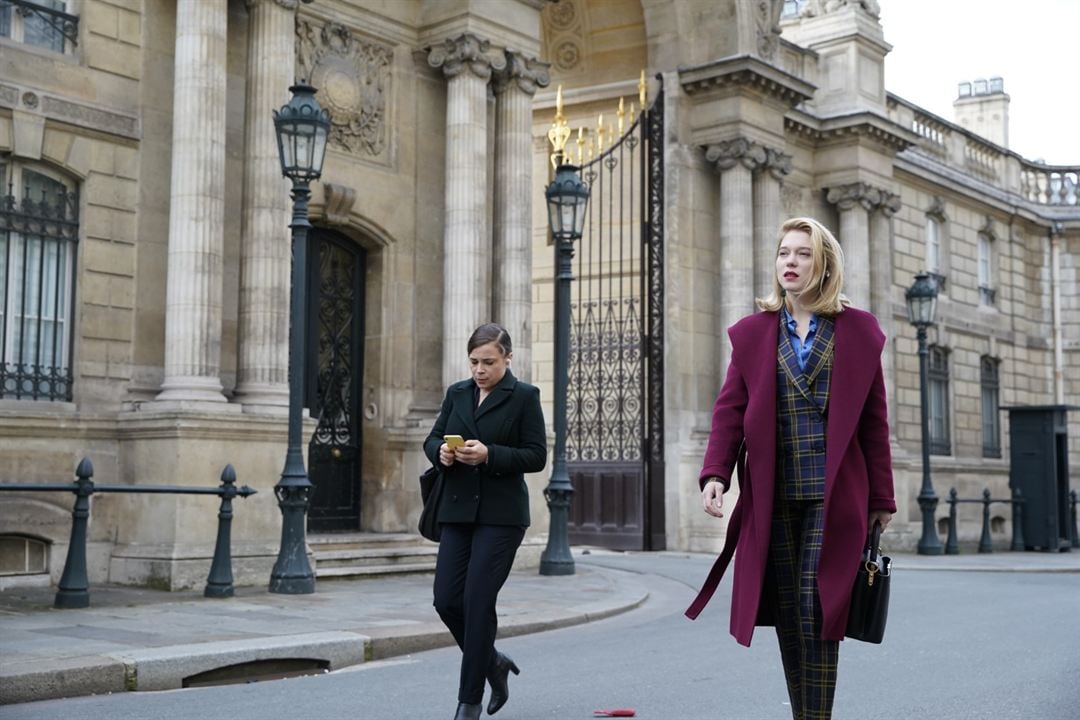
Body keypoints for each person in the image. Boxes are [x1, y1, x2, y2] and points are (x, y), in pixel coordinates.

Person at [687, 217, 897, 720]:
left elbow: (874, 421)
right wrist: (716, 473)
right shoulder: (753, 334)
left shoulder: (858, 331)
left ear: (823, 264)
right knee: (788, 613)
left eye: (803, 254)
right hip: (774, 494)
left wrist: (882, 499)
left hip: (835, 495)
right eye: (784, 253)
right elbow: (729, 411)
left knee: (818, 610)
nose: (791, 262)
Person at [424, 323, 547, 720]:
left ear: (507, 358)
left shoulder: (524, 397)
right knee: (446, 599)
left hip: (501, 516)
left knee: (478, 602)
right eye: (474, 361)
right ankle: (492, 661)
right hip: (457, 511)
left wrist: (490, 454)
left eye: (489, 362)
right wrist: (442, 453)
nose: (479, 370)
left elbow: (535, 455)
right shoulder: (457, 393)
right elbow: (433, 438)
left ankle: (468, 702)